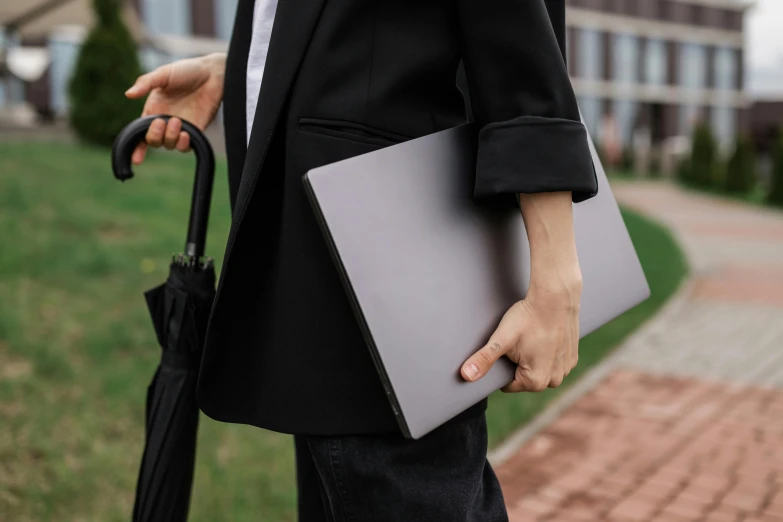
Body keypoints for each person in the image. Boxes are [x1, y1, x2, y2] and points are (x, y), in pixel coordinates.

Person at [126, 0, 597, 519]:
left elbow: (519, 50)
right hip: (307, 275)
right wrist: (241, 67)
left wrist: (556, 280)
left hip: (391, 282)